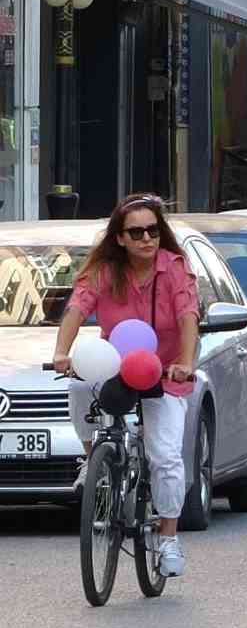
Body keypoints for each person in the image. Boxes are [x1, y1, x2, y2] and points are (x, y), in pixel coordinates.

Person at [54, 193, 198, 578]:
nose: (146, 239)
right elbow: (77, 308)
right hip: (116, 365)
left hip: (165, 371)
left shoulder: (175, 269)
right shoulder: (104, 270)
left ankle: (168, 538)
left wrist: (185, 363)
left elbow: (188, 316)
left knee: (166, 457)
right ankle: (92, 459)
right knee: (79, 387)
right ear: (119, 238)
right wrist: (61, 352)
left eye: (153, 230)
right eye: (136, 232)